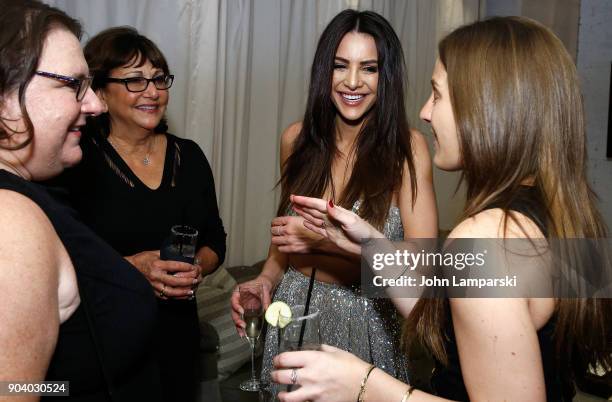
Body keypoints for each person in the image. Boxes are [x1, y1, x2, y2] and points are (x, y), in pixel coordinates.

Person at [270, 16, 612, 402]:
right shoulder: (546, 212)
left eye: (437, 94)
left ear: (485, 107)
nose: (425, 111)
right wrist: (369, 244)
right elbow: (448, 310)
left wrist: (365, 384)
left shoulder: (489, 236)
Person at [231, 9, 438, 389]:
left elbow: (420, 258)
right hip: (294, 315)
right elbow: (284, 241)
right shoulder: (296, 140)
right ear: (323, 71)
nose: (353, 81)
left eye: (369, 68)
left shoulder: (407, 149)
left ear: (386, 76)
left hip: (368, 320)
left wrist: (329, 241)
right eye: (340, 66)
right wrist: (263, 279)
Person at [50, 27, 227, 402]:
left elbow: (216, 239)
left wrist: (197, 266)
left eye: (159, 79)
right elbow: (58, 258)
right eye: (134, 80)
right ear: (99, 92)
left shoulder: (190, 156)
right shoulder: (76, 160)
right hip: (105, 340)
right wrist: (131, 266)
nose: (152, 91)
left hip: (178, 335)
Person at [0, 1, 164, 400]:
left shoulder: (35, 196)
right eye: (73, 85)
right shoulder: (10, 222)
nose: (93, 104)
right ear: (5, 99)